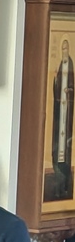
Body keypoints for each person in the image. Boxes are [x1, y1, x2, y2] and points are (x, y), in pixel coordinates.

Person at [49, 39, 75, 202]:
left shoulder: (71, 65)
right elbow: (57, 87)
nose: (64, 51)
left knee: (65, 147)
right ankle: (58, 179)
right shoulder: (60, 65)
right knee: (58, 145)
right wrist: (55, 81)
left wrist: (69, 90)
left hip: (68, 112)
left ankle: (65, 182)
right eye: (62, 49)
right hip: (60, 111)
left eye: (66, 48)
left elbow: (72, 86)